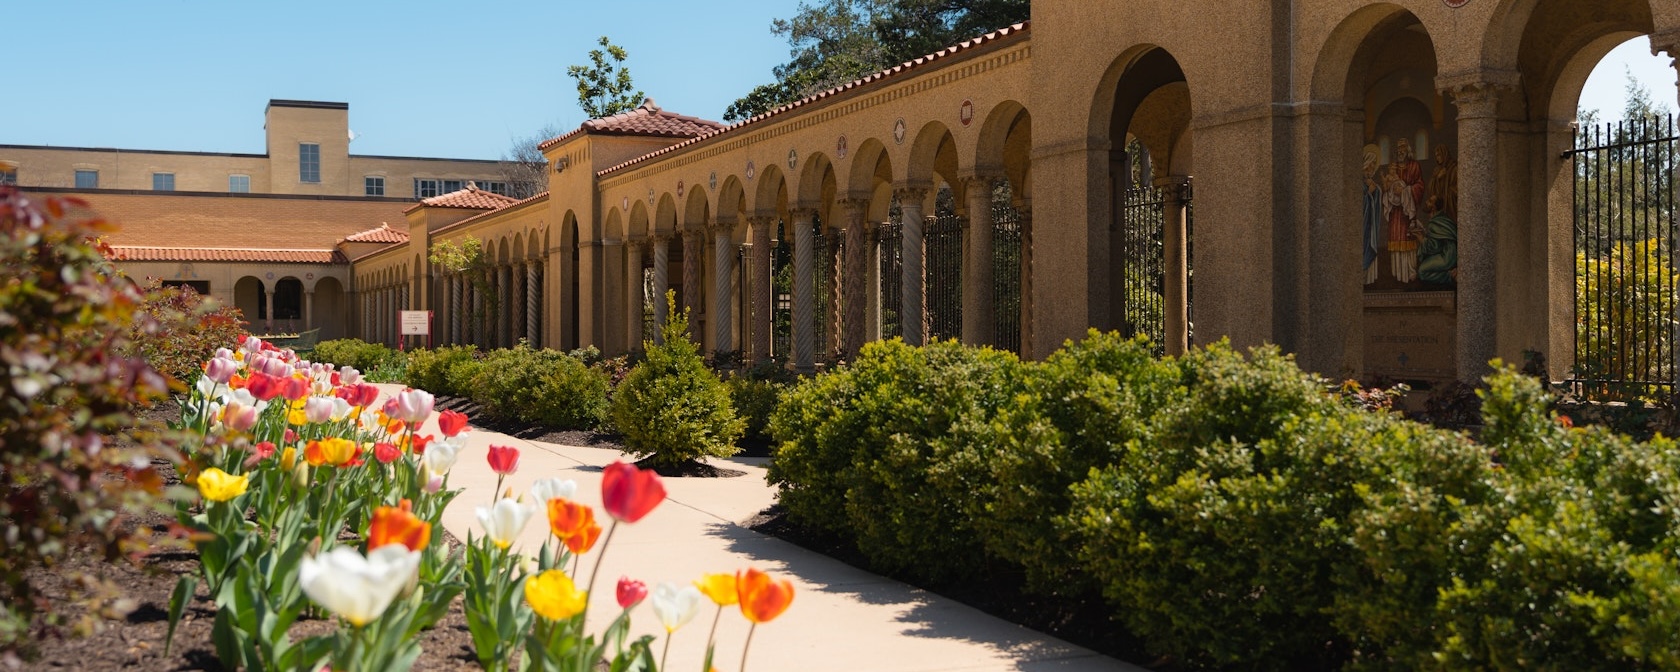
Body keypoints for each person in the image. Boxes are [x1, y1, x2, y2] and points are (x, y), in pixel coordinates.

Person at [1382, 138, 1425, 283]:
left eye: (1403, 148)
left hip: (1407, 212)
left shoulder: (1414, 166)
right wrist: (1390, 191)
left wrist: (1406, 191)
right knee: (1396, 239)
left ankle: (1411, 272)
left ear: (1408, 150)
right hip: (1395, 212)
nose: (1400, 150)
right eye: (1399, 148)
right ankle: (1397, 273)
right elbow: (1386, 188)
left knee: (1408, 238)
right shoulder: (1392, 169)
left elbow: (1420, 186)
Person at [1417, 195, 1458, 285]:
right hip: (1449, 253)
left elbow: (1434, 247)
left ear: (1433, 207)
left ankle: (1451, 275)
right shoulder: (1442, 218)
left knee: (1422, 272)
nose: (1426, 202)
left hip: (1447, 257)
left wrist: (1421, 238)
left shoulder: (1435, 222)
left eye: (1430, 201)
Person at [1361, 146, 1384, 285]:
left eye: (1374, 165)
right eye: (1371, 164)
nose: (1372, 168)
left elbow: (1376, 194)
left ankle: (1367, 277)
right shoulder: (1358, 181)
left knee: (1369, 243)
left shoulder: (1370, 181)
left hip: (1370, 223)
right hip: (1361, 224)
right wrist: (1368, 192)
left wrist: (1375, 191)